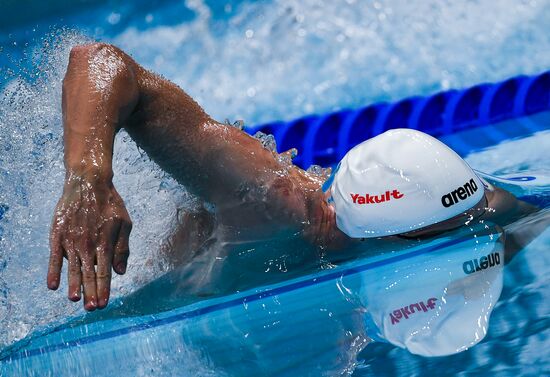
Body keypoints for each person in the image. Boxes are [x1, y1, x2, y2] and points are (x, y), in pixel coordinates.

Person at [47, 43, 539, 312]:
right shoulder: (270, 199)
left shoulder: (452, 204)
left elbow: (511, 216)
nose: (468, 231)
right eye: (441, 237)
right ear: (377, 234)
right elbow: (100, 62)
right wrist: (88, 177)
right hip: (130, 299)